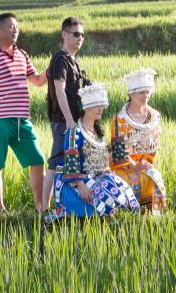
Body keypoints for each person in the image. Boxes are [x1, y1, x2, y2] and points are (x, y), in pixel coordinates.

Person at [0, 13, 48, 212]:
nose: (15, 30)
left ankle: (41, 206)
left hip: (22, 121)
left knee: (37, 160)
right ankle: (0, 211)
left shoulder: (22, 55)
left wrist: (53, 67)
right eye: (10, 27)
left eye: (16, 27)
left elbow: (38, 81)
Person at [52, 83, 141, 218]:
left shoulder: (98, 133)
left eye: (102, 105)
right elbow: (71, 164)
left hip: (96, 178)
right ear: (87, 107)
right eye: (97, 105)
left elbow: (104, 159)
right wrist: (81, 186)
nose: (101, 109)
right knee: (101, 204)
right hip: (75, 182)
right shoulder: (74, 132)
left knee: (121, 191)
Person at [43, 17, 91, 207]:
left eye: (82, 35)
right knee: (55, 162)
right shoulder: (60, 60)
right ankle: (43, 208)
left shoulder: (74, 61)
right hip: (63, 121)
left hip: (73, 120)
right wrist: (70, 121)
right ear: (64, 35)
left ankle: (66, 203)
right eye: (76, 34)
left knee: (71, 161)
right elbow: (59, 90)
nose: (80, 38)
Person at [110, 68, 167, 214]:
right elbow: (118, 152)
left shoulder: (154, 117)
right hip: (122, 167)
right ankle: (125, 215)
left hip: (143, 164)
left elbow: (153, 146)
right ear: (131, 93)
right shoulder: (119, 119)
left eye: (147, 92)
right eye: (141, 92)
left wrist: (142, 164)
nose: (145, 95)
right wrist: (133, 166)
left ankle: (152, 215)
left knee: (153, 176)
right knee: (124, 180)